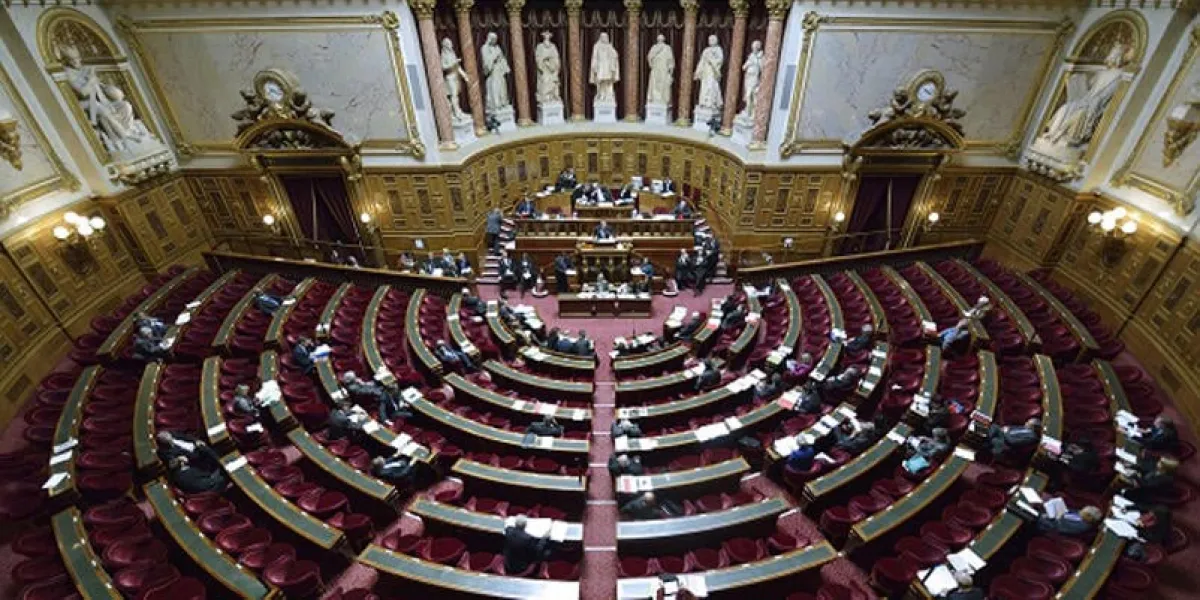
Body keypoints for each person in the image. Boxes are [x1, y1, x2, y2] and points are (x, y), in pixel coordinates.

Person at [1037, 505, 1102, 537]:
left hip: (1050, 525)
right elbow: (1066, 511)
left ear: (1088, 517)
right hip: (1053, 514)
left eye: (1083, 512)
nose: (1080, 511)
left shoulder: (1082, 526)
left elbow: (1060, 528)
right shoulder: (1080, 514)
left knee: (1036, 515)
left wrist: (1053, 516)